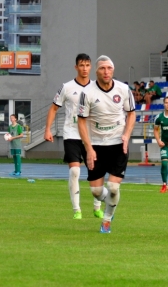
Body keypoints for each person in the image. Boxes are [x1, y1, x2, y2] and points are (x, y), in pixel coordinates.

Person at [77, 55, 136, 234]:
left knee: (113, 187)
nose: (106, 71)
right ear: (97, 71)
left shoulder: (124, 89)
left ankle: (107, 220)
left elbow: (131, 113)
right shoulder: (87, 93)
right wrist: (88, 148)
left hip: (118, 143)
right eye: (102, 68)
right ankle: (111, 202)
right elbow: (81, 121)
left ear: (113, 70)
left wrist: (126, 135)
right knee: (96, 192)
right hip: (95, 145)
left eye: (109, 68)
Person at [44, 53, 103, 219]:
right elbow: (54, 108)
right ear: (76, 67)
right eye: (81, 65)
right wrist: (47, 129)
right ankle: (77, 210)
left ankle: (97, 206)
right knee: (74, 171)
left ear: (91, 67)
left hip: (91, 136)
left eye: (87, 65)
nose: (85, 69)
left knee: (95, 171)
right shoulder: (67, 87)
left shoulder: (97, 87)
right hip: (71, 134)